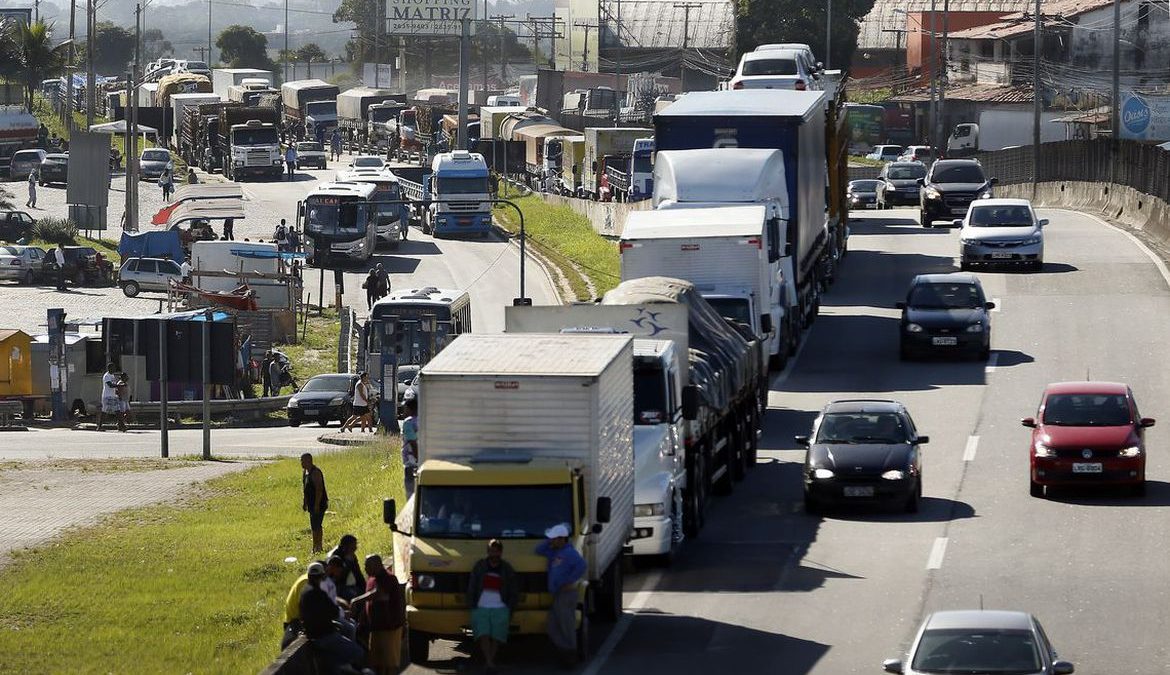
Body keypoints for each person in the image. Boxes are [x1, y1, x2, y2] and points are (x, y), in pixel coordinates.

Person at [536, 523, 587, 666]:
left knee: (566, 626)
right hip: (558, 595)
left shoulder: (570, 553)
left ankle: (571, 655)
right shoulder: (555, 552)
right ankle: (567, 651)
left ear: (561, 539)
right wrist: (549, 541)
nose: (551, 540)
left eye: (553, 538)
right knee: (552, 626)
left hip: (567, 594)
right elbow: (538, 549)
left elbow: (582, 565)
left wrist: (570, 581)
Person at [299, 562, 364, 672]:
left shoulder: (304, 592)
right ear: (322, 576)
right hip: (325, 635)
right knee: (358, 652)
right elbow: (333, 611)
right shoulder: (318, 593)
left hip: (314, 635)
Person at [468, 539, 518, 674]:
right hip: (481, 606)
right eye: (491, 551)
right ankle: (489, 661)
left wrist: (510, 607)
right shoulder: (480, 566)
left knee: (496, 636)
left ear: (500, 552)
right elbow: (472, 585)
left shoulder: (507, 568)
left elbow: (513, 589)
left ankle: (490, 661)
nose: (493, 554)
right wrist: (472, 603)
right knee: (483, 634)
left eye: (496, 551)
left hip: (500, 607)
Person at [356, 557, 406, 675]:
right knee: (377, 662)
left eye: (367, 566)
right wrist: (363, 618)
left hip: (389, 628)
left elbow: (380, 594)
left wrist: (356, 601)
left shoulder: (388, 578)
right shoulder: (371, 579)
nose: (365, 568)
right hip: (376, 627)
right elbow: (370, 602)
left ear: (377, 565)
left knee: (388, 663)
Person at [302, 453, 329, 553]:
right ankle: (315, 546)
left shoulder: (315, 472)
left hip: (319, 503)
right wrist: (305, 502)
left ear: (309, 461)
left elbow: (319, 489)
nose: (301, 463)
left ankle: (318, 546)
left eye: (303, 461)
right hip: (311, 503)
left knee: (317, 525)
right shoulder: (305, 472)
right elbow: (304, 488)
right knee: (314, 525)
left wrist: (317, 504)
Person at [326, 534, 366, 601]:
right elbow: (336, 577)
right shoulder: (334, 558)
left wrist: (365, 588)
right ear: (345, 547)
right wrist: (348, 562)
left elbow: (357, 574)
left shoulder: (350, 555)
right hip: (333, 587)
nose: (355, 549)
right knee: (355, 595)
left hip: (343, 584)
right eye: (353, 547)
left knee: (360, 593)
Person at [97, 362, 126, 432]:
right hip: (107, 396)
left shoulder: (112, 375)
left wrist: (117, 393)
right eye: (113, 368)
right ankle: (99, 426)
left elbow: (114, 386)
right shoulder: (106, 376)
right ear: (109, 368)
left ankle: (121, 426)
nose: (114, 369)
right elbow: (110, 385)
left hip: (112, 396)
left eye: (114, 368)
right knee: (105, 412)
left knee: (117, 410)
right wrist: (120, 386)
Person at [401, 399, 419, 496]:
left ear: (410, 409)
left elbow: (412, 442)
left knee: (410, 493)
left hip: (411, 461)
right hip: (423, 460)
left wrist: (417, 458)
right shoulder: (422, 420)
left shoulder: (408, 422)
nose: (404, 411)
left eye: (405, 408)